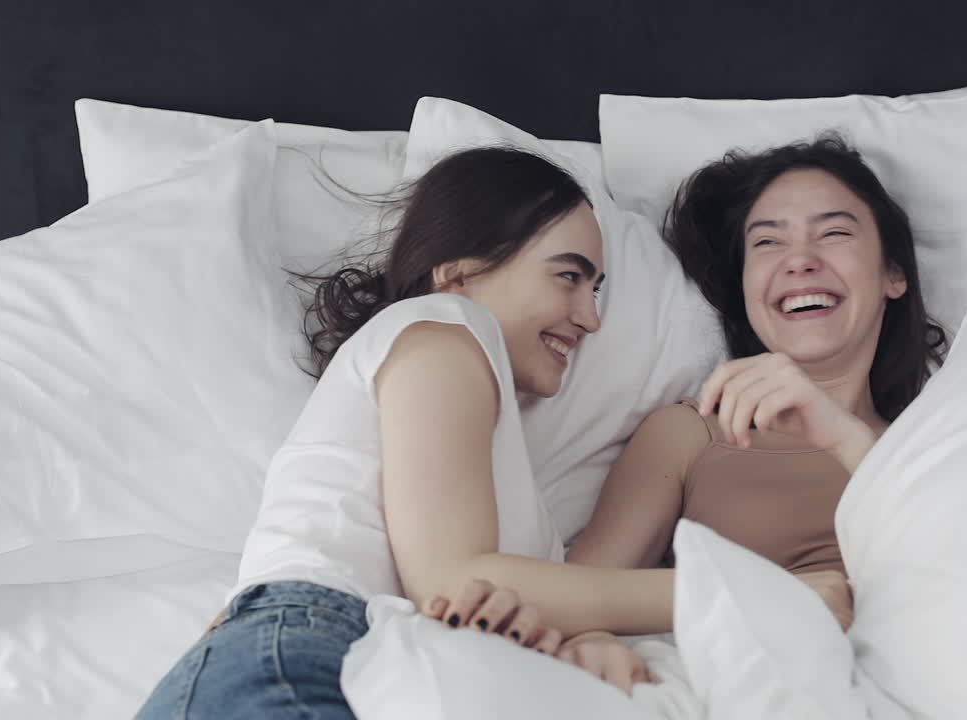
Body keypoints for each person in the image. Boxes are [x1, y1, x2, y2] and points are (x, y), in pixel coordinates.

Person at [136, 146, 675, 720]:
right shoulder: (442, 325)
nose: (591, 317)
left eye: (595, 290)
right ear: (459, 273)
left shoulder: (501, 469)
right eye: (569, 276)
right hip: (312, 648)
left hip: (336, 657)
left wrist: (582, 640)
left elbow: (486, 599)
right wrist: (721, 594)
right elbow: (448, 579)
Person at [563, 134, 947, 637]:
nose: (800, 259)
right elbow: (578, 597)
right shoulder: (693, 432)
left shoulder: (942, 432)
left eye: (833, 233)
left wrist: (843, 435)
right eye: (767, 241)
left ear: (893, 274)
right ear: (744, 288)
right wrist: (592, 643)